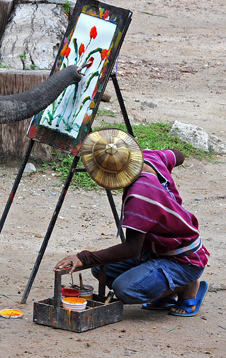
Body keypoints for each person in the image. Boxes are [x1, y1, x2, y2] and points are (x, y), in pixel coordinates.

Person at [54, 129, 209, 317]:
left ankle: (185, 287)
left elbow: (131, 249)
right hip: (157, 249)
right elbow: (178, 155)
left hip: (183, 259)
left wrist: (83, 257)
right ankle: (165, 285)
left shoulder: (140, 195)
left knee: (124, 289)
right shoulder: (150, 157)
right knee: (101, 269)